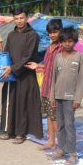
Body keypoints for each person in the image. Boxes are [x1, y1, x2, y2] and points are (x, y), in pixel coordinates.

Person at [0, 7, 43, 144]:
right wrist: (2, 66)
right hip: (11, 74)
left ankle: (21, 133)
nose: (19, 21)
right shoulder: (11, 35)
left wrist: (12, 68)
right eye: (16, 18)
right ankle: (8, 130)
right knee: (9, 102)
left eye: (22, 18)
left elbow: (28, 56)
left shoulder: (32, 35)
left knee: (23, 104)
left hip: (25, 74)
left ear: (27, 18)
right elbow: (6, 53)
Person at [49, 27, 83, 165]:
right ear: (61, 42)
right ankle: (61, 149)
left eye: (70, 41)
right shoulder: (57, 57)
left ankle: (72, 153)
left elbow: (82, 79)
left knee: (69, 124)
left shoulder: (80, 56)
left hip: (71, 98)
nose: (67, 44)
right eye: (64, 41)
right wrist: (52, 97)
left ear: (74, 41)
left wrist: (78, 98)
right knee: (60, 125)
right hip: (57, 97)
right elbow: (53, 78)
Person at [25, 19, 63, 150]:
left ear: (60, 31)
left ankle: (61, 145)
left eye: (55, 32)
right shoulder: (50, 47)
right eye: (50, 33)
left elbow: (57, 68)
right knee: (48, 115)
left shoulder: (62, 48)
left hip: (55, 88)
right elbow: (48, 65)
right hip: (46, 86)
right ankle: (51, 141)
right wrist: (38, 66)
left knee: (56, 118)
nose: (52, 35)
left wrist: (39, 66)